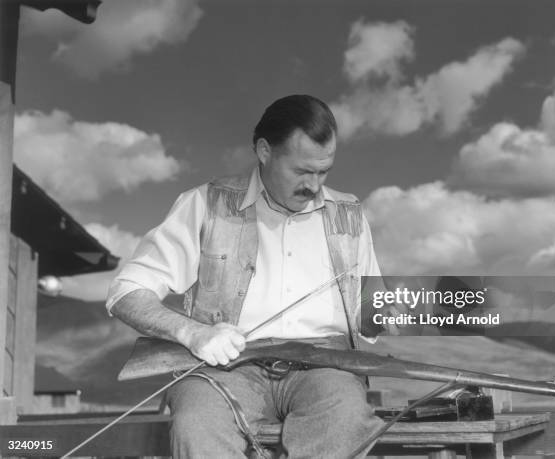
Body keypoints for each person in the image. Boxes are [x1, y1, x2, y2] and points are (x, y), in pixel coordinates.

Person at [106, 94, 385, 458]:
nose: (314, 186)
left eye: (323, 171)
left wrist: (433, 309)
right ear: (265, 151)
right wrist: (193, 333)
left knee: (346, 420)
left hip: (326, 368)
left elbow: (377, 311)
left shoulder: (349, 215)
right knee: (198, 425)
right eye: (301, 171)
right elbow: (126, 291)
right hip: (226, 369)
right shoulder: (204, 204)